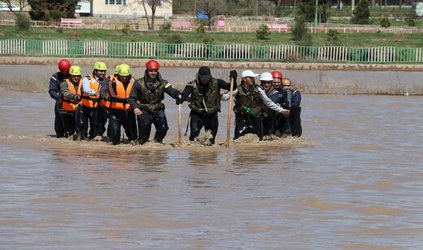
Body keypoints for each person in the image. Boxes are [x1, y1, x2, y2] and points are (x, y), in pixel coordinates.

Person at [177, 66, 237, 145]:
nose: (205, 80)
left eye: (207, 78)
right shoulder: (191, 85)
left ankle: (210, 156)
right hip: (197, 115)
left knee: (210, 141)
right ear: (199, 76)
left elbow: (231, 87)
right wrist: (180, 98)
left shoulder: (217, 82)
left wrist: (234, 79)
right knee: (193, 138)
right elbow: (184, 95)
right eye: (203, 78)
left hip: (212, 115)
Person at [128, 60, 180, 144]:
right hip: (144, 111)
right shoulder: (138, 83)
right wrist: (135, 108)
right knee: (143, 140)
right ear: (147, 71)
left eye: (155, 71)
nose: (153, 73)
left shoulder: (164, 83)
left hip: (158, 110)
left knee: (164, 128)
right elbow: (131, 98)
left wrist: (179, 95)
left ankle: (157, 142)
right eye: (151, 71)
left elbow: (172, 92)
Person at [232, 70, 289, 141]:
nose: (267, 84)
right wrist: (221, 95)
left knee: (260, 138)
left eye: (269, 83)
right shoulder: (239, 89)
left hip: (263, 116)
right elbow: (227, 96)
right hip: (245, 116)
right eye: (265, 82)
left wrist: (281, 110)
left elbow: (269, 103)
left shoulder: (266, 91)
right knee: (239, 138)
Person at [100, 63, 137, 145]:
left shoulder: (134, 82)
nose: (124, 78)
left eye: (126, 76)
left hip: (129, 112)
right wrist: (128, 100)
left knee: (133, 138)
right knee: (115, 139)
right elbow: (112, 96)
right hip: (115, 111)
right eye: (122, 76)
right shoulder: (111, 82)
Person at [75, 61, 107, 140]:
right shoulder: (87, 79)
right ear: (95, 71)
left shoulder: (107, 81)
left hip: (97, 107)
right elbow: (86, 89)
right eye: (100, 71)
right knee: (82, 127)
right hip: (84, 106)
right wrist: (95, 93)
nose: (102, 73)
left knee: (96, 129)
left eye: (104, 71)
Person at [48, 58, 71, 138]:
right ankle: (60, 136)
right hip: (60, 102)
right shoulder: (55, 77)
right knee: (59, 124)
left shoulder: (74, 75)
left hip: (73, 102)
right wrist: (59, 98)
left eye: (67, 70)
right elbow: (52, 91)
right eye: (63, 71)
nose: (65, 72)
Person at [59, 65, 82, 138]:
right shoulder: (64, 83)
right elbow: (65, 93)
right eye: (74, 76)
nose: (76, 78)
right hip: (67, 110)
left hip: (79, 110)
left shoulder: (84, 82)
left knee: (80, 130)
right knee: (68, 132)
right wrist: (75, 96)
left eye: (78, 76)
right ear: (70, 75)